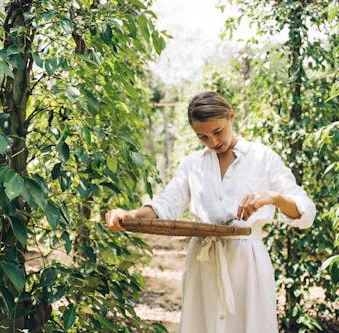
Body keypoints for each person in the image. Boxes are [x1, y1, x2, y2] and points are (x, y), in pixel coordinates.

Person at [105, 91, 316, 333]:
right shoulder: (193, 164)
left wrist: (274, 198)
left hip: (247, 263)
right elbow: (165, 205)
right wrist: (130, 216)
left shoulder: (262, 158)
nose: (213, 142)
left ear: (231, 117)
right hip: (202, 263)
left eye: (218, 131)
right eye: (203, 137)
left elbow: (305, 211)